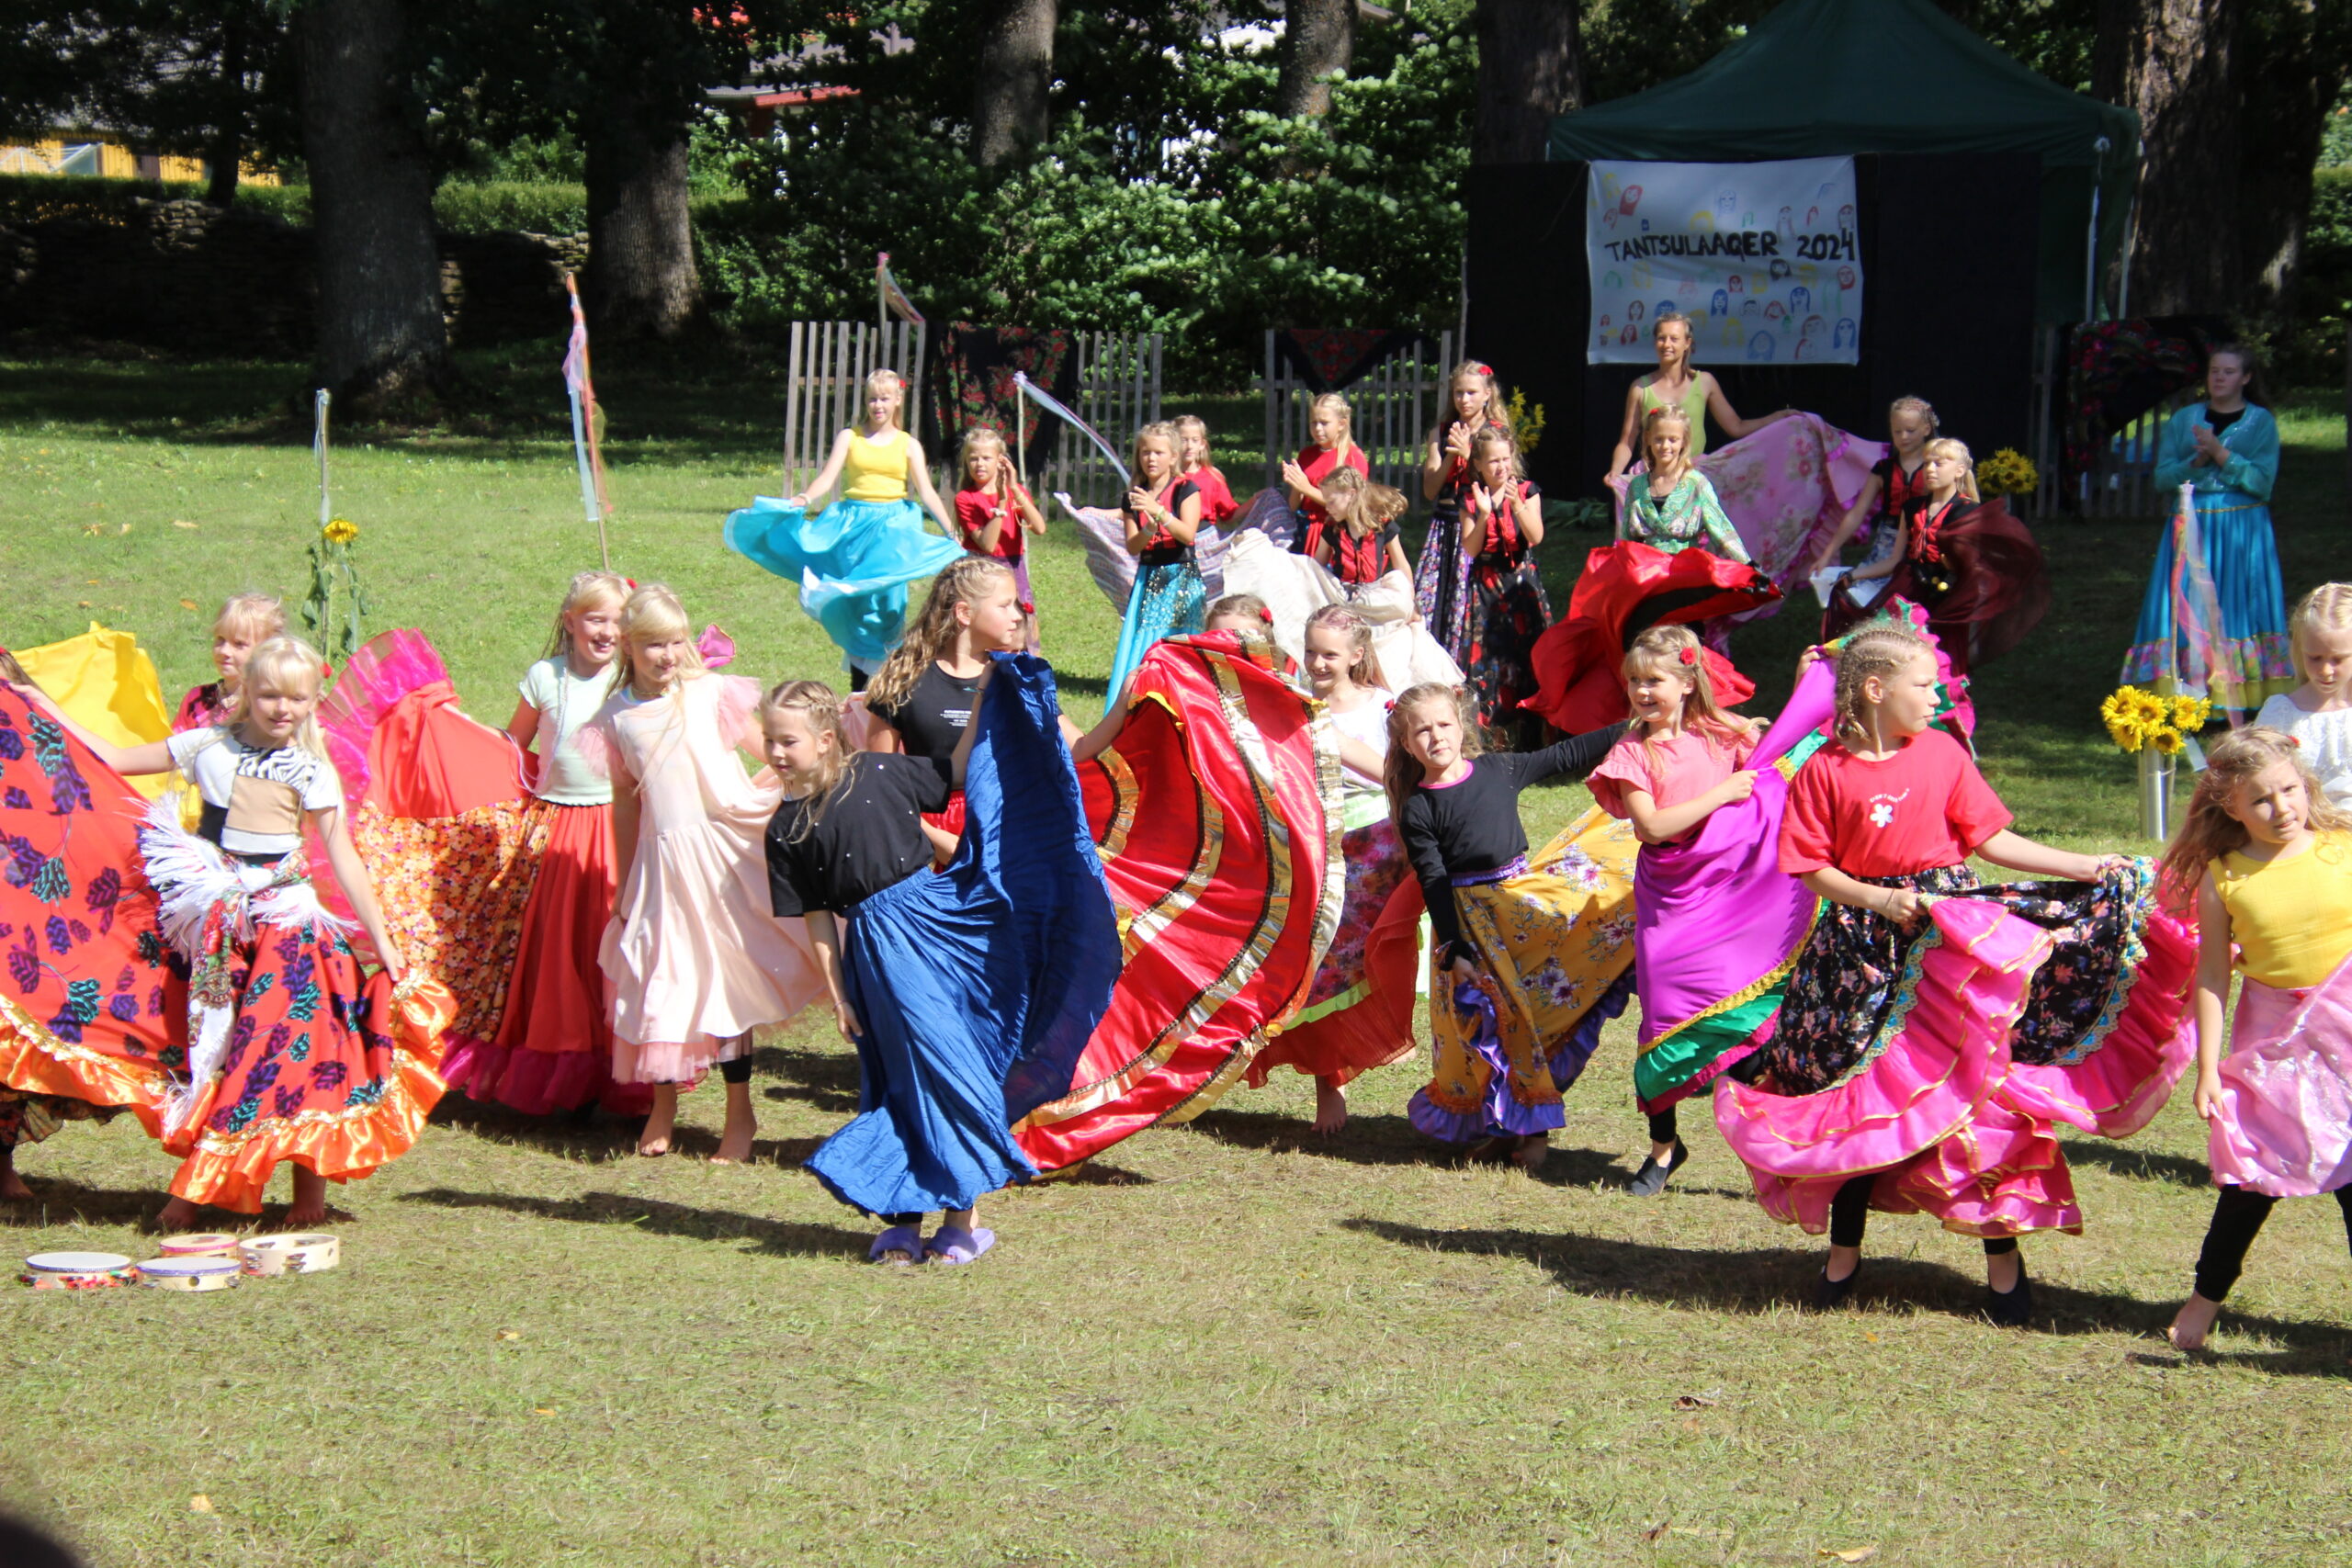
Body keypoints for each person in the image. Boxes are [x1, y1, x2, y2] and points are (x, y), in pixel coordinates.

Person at [1715, 622, 2196, 1324]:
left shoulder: (1942, 751)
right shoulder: (1823, 768)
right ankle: (1843, 1256)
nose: (1937, 694)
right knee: (1853, 1092)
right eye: (1924, 683)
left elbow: (1992, 838)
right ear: (1876, 689)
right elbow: (1809, 865)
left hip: (1947, 944)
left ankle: (2003, 1264)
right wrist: (1878, 896)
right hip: (1857, 956)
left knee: (1980, 1090)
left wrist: (2085, 866)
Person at [44, 637, 449, 1227]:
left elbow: (343, 856)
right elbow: (108, 757)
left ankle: (303, 1196)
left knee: (300, 1056)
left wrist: (382, 942)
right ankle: (197, 1191)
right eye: (269, 695)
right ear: (248, 693)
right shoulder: (205, 746)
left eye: (297, 699)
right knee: (219, 1055)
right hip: (220, 931)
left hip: (291, 935)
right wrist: (34, 702)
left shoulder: (312, 771)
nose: (282, 709)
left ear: (313, 701)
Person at [763, 670, 1118, 1265]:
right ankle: (903, 1220)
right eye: (769, 739)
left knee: (954, 1067)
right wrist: (838, 993)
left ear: (826, 738)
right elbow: (819, 915)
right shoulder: (786, 827)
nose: (775, 752)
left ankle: (960, 1223)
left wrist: (982, 700)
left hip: (939, 923)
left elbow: (953, 772)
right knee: (899, 1079)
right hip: (875, 951)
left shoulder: (880, 772)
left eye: (787, 740)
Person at [1588, 626, 1821, 1196]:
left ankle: (1776, 1145)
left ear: (1688, 682)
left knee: (1740, 1020)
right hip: (1671, 898)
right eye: (1635, 681)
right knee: (1664, 1022)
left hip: (1731, 893)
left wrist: (1803, 688)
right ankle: (1665, 1150)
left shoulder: (1723, 734)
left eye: (1655, 680)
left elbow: (1776, 760)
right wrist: (1722, 793)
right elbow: (1652, 825)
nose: (1643, 691)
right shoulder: (1631, 753)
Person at [593, 584, 822, 1160]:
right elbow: (627, 800)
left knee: (728, 978)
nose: (668, 655)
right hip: (664, 861)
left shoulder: (708, 692)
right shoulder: (617, 716)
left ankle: (738, 1114)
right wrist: (624, 882)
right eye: (653, 645)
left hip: (725, 850)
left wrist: (798, 791)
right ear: (628, 644)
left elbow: (767, 751)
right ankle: (663, 1105)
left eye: (675, 641)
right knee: (659, 976)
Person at [2158, 728, 2352, 1350]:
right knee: (2251, 1176)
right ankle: (2203, 1300)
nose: (2283, 807)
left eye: (2290, 789)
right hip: (2278, 1047)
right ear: (2231, 807)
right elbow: (2213, 975)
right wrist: (2209, 1068)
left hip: (2346, 1031)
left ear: (2307, 783)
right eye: (2262, 799)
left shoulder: (2342, 846)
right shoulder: (2226, 879)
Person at [1391, 682, 1633, 1169]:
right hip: (1469, 932)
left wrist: (1635, 727)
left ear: (1463, 725)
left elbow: (1567, 752)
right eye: (1422, 730)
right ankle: (1503, 1130)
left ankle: (1533, 1132)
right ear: (1405, 743)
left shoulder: (1499, 770)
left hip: (1521, 910)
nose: (1436, 737)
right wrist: (1454, 950)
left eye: (1443, 724)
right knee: (1488, 1029)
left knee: (1528, 1020)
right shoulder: (1419, 807)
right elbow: (1434, 880)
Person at [445, 570, 643, 1117]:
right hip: (555, 829)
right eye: (594, 618)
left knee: (612, 944)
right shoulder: (544, 676)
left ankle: (622, 1068)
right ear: (570, 621)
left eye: (617, 620)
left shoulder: (631, 678)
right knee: (558, 952)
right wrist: (453, 735)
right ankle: (564, 1070)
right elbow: (512, 745)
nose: (606, 631)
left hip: (617, 826)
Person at [0, 649, 178, 1201]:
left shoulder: (14, 703)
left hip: (19, 896)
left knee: (16, 1024)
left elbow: (72, 789)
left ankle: (0, 1167)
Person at [1244, 607, 1422, 1133]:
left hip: (1374, 850)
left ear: (1357, 656)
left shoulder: (1383, 709)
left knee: (1355, 964)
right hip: (1308, 845)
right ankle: (1321, 1080)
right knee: (1313, 964)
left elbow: (1401, 775)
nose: (1319, 663)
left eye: (1330, 654)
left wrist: (1333, 744)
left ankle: (1349, 1067)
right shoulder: (1291, 702)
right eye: (1313, 650)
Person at [724, 367, 964, 690]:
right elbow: (828, 476)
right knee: (855, 599)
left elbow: (926, 491)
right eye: (872, 399)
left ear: (897, 401)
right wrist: (805, 497)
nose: (878, 405)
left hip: (892, 529)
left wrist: (951, 530)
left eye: (884, 399)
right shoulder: (850, 437)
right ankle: (859, 685)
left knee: (889, 602)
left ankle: (887, 683)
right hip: (853, 527)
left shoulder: (908, 445)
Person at [2121, 344, 2294, 711]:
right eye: (2215, 370)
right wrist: (2197, 461)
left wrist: (2221, 453)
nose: (2219, 377)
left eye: (2229, 371)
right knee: (2185, 602)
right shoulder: (2185, 419)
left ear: (2246, 378)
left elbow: (2263, 482)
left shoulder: (2261, 421)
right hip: (2191, 520)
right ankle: (2182, 690)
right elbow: (2163, 478)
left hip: (2241, 527)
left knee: (2236, 603)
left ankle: (2238, 693)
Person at [863, 557, 1030, 863]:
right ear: (964, 613)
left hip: (1002, 832)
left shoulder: (1013, 676)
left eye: (1016, 605)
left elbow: (1061, 756)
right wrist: (931, 836)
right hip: (923, 836)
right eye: (1005, 605)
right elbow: (878, 778)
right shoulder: (904, 676)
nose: (1017, 616)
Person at [1848, 437, 2047, 679]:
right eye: (1927, 463)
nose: (1930, 470)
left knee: (1943, 661)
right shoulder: (1911, 508)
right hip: (1908, 590)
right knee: (1896, 656)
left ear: (1959, 470)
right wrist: (1851, 576)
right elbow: (1893, 561)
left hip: (1948, 596)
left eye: (1939, 464)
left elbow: (1979, 567)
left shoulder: (1968, 512)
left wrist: (1957, 565)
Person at [1604, 312, 1796, 487]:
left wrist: (1779, 416)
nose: (1667, 344)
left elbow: (1736, 426)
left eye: (1674, 339)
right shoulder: (1640, 388)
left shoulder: (1704, 382)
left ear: (1687, 343)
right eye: (1662, 338)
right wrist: (1615, 472)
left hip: (1693, 477)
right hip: (1655, 478)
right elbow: (1627, 440)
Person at [1811, 397, 1938, 639]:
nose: (1903, 437)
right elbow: (1857, 513)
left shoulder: (1935, 466)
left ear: (1926, 429)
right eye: (1897, 431)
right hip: (1889, 540)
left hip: (1925, 539)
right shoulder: (1884, 469)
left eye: (1910, 430)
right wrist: (1827, 554)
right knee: (1863, 596)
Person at [1456, 426, 1553, 735]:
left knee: (1528, 651)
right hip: (1487, 583)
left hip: (1521, 581)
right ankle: (1492, 731)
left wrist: (1517, 505)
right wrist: (1484, 515)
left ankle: (1531, 730)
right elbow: (1471, 548)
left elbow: (1535, 536)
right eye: (1493, 461)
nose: (1501, 467)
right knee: (1487, 654)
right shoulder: (1470, 497)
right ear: (1480, 465)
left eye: (1505, 459)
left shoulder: (1526, 490)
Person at [1103, 422, 1206, 700]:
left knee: (1178, 641)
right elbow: (1133, 545)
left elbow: (1187, 534)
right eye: (1145, 452)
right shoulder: (1133, 497)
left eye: (1159, 453)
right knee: (1146, 639)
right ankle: (1140, 701)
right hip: (1148, 578)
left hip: (1181, 576)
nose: (1151, 459)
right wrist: (1148, 526)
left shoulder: (1187, 489)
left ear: (1173, 457)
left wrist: (1159, 513)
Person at [1418, 361, 1511, 656]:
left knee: (1468, 598)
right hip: (1444, 523)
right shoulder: (1441, 432)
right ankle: (1432, 657)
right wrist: (1451, 456)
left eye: (1472, 392)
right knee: (1432, 597)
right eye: (1459, 393)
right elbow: (1430, 489)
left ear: (1487, 395)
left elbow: (1498, 481)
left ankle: (1464, 662)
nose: (1464, 400)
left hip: (1475, 521)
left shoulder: (1496, 433)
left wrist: (1470, 455)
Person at [2254, 583, 2352, 807]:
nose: (2326, 670)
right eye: (2315, 658)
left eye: (2338, 659)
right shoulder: (2281, 712)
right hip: (2304, 831)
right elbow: (2258, 781)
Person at [951, 428, 1046, 654]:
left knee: (1023, 619)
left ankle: (1029, 665)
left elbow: (1040, 528)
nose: (979, 464)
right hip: (982, 569)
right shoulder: (966, 498)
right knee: (988, 624)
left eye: (986, 458)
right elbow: (988, 544)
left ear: (1000, 460)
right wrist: (1002, 503)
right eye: (973, 458)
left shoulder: (1015, 492)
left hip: (1013, 566)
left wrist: (1012, 489)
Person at [175, 592, 288, 731]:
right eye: (220, 639)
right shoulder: (197, 700)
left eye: (239, 644)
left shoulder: (271, 707)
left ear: (268, 649)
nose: (224, 651)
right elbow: (174, 747)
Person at [1281, 392, 1370, 558]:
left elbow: (1352, 505)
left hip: (1334, 532)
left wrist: (1306, 488)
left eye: (1324, 423)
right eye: (1313, 423)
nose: (1317, 429)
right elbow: (1293, 506)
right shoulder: (1307, 455)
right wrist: (1295, 485)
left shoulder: (1352, 457)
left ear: (1342, 424)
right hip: (1305, 529)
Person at [1174, 414, 1241, 527]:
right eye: (1183, 440)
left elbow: (1229, 514)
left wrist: (1256, 500)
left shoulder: (1212, 477)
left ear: (1202, 444)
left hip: (1205, 535)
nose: (1189, 446)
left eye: (1195, 440)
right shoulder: (1166, 476)